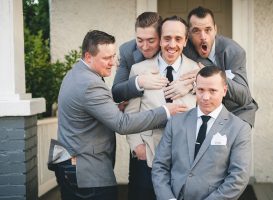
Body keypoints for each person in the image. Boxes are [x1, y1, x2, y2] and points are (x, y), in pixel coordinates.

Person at [47, 30, 187, 200]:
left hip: (71, 163)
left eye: (113, 56)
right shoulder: (89, 83)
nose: (112, 63)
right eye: (106, 58)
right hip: (87, 172)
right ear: (88, 56)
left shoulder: (76, 73)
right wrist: (166, 111)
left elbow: (89, 109)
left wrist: (113, 108)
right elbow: (122, 124)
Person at [125, 16, 199, 200]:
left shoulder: (197, 70)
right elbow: (130, 113)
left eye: (178, 39)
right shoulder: (138, 70)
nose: (171, 44)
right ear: (160, 39)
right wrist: (137, 147)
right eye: (167, 38)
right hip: (147, 156)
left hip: (184, 159)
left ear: (185, 41)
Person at [152, 66, 252, 200]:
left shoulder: (239, 128)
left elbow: (238, 177)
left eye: (212, 91)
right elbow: (160, 166)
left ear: (224, 90)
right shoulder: (176, 122)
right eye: (200, 90)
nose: (205, 97)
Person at [183, 6, 258, 127]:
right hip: (204, 112)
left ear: (215, 30)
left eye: (208, 30)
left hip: (237, 112)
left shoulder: (234, 51)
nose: (203, 36)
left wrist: (209, 74)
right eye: (196, 30)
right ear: (189, 34)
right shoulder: (183, 48)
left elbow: (243, 96)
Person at [112, 12, 195, 106]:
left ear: (160, 38)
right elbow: (116, 93)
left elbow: (209, 71)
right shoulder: (127, 51)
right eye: (140, 40)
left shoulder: (186, 48)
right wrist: (139, 81)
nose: (145, 47)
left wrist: (193, 84)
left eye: (151, 40)